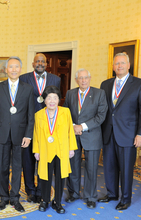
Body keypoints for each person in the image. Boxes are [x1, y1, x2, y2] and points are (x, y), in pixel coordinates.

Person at [99, 53, 141, 210]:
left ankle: (126, 198)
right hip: (108, 132)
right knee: (109, 166)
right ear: (113, 66)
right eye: (116, 64)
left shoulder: (140, 84)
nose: (119, 66)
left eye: (122, 63)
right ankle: (112, 193)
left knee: (126, 168)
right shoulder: (105, 84)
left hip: (128, 134)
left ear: (129, 65)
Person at [0, 56, 34, 212]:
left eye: (17, 67)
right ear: (6, 69)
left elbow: (31, 114)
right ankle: (3, 198)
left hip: (20, 134)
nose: (14, 69)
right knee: (3, 167)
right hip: (2, 133)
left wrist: (28, 135)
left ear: (21, 69)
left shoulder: (28, 88)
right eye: (11, 67)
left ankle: (15, 198)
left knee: (17, 167)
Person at [63, 68, 108, 209]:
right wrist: (73, 126)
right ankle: (74, 193)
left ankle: (90, 197)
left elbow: (101, 116)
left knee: (91, 168)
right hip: (73, 136)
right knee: (73, 166)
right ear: (76, 80)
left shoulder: (99, 93)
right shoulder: (70, 93)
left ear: (90, 78)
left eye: (86, 78)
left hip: (92, 135)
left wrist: (81, 126)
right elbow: (65, 113)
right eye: (80, 78)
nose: (83, 80)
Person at [19, 53, 61, 203]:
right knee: (28, 160)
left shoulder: (56, 79)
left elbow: (56, 102)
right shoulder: (23, 78)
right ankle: (30, 190)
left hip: (47, 127)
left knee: (45, 159)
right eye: (37, 61)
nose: (40, 63)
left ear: (46, 63)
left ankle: (41, 190)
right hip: (28, 125)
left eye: (43, 61)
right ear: (33, 63)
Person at [33, 85, 77, 214]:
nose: (52, 101)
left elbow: (70, 131)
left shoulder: (65, 112)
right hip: (45, 150)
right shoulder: (38, 115)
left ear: (59, 100)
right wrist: (36, 150)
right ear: (44, 100)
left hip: (61, 150)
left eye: (55, 98)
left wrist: (71, 148)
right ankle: (44, 200)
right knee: (44, 177)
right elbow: (35, 134)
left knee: (60, 177)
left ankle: (57, 202)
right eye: (49, 98)